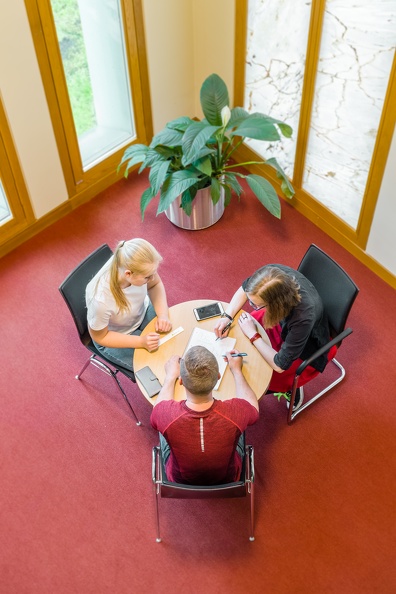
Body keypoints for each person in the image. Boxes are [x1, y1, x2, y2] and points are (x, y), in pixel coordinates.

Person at [214, 264, 334, 410]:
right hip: (282, 321)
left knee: (259, 373)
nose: (250, 305)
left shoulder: (303, 317)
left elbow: (280, 365)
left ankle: (291, 388)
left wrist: (253, 335)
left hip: (305, 343)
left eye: (255, 304)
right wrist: (227, 316)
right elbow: (244, 290)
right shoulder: (271, 274)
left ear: (274, 304)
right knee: (239, 333)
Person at [150, 346, 259, 485]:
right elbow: (253, 409)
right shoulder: (235, 412)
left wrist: (170, 377)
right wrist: (236, 370)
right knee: (240, 425)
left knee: (163, 426)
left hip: (179, 480)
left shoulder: (166, 414)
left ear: (181, 381)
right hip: (229, 479)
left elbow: (157, 410)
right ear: (218, 377)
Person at [86, 238, 172, 371]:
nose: (152, 278)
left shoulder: (138, 264)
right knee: (157, 368)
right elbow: (100, 337)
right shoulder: (100, 300)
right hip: (115, 335)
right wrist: (141, 342)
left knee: (173, 341)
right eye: (147, 277)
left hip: (141, 311)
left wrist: (163, 315)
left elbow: (155, 285)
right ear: (128, 274)